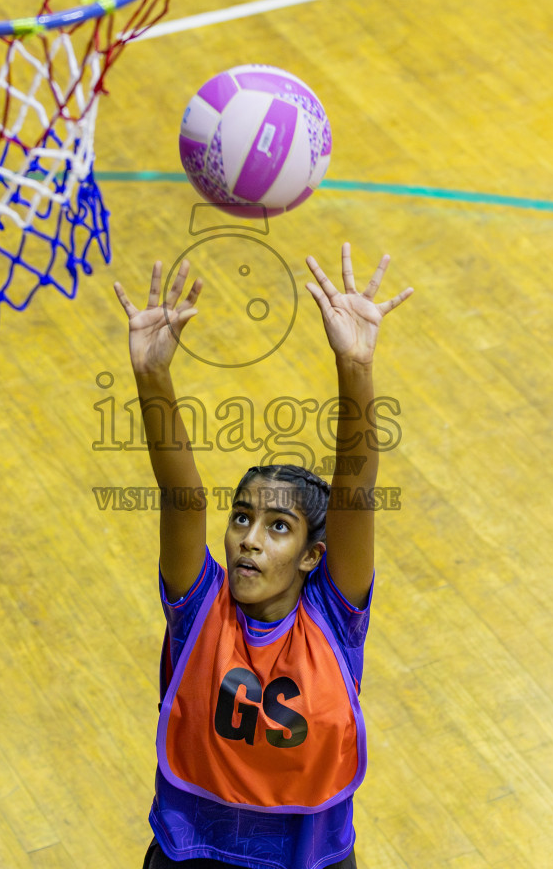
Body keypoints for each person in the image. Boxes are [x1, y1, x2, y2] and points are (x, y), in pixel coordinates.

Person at [113, 243, 414, 869]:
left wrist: (354, 364)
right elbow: (182, 496)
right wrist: (152, 376)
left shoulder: (335, 618)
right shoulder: (198, 607)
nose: (250, 537)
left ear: (313, 557)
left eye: (279, 527)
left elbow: (355, 492)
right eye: (243, 517)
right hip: (192, 853)